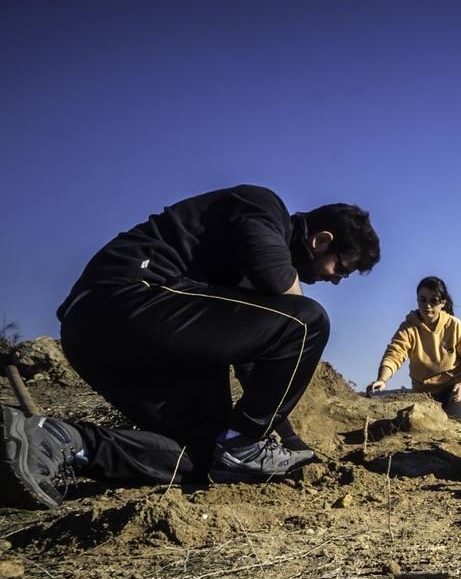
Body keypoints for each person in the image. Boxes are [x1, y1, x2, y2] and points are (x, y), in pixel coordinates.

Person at [0, 184, 380, 510]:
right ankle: (241, 447)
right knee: (309, 319)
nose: (336, 281)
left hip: (122, 342)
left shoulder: (241, 288)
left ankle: (60, 441)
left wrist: (290, 442)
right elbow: (287, 302)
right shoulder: (264, 207)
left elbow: (259, 364)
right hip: (126, 298)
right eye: (341, 268)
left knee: (207, 458)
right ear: (321, 240)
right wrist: (249, 441)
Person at [365, 276, 461, 418]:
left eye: (433, 301)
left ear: (443, 302)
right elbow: (394, 354)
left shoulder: (454, 325)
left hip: (455, 389)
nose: (428, 306)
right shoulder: (409, 327)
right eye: (423, 300)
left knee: (447, 426)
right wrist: (382, 380)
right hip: (423, 393)